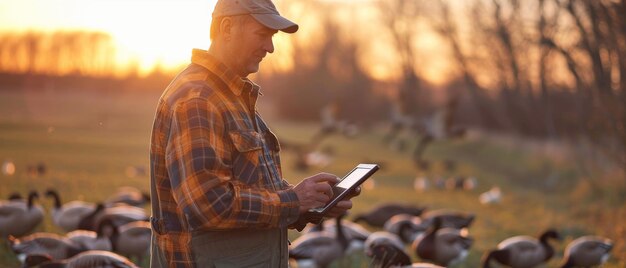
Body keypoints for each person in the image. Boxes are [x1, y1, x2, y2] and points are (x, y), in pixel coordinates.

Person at [148, 0, 359, 267]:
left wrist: (308, 204)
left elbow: (251, 191)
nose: (270, 48)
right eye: (262, 35)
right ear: (227, 28)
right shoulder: (198, 99)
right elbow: (208, 206)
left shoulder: (230, 96)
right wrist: (293, 200)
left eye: (271, 37)